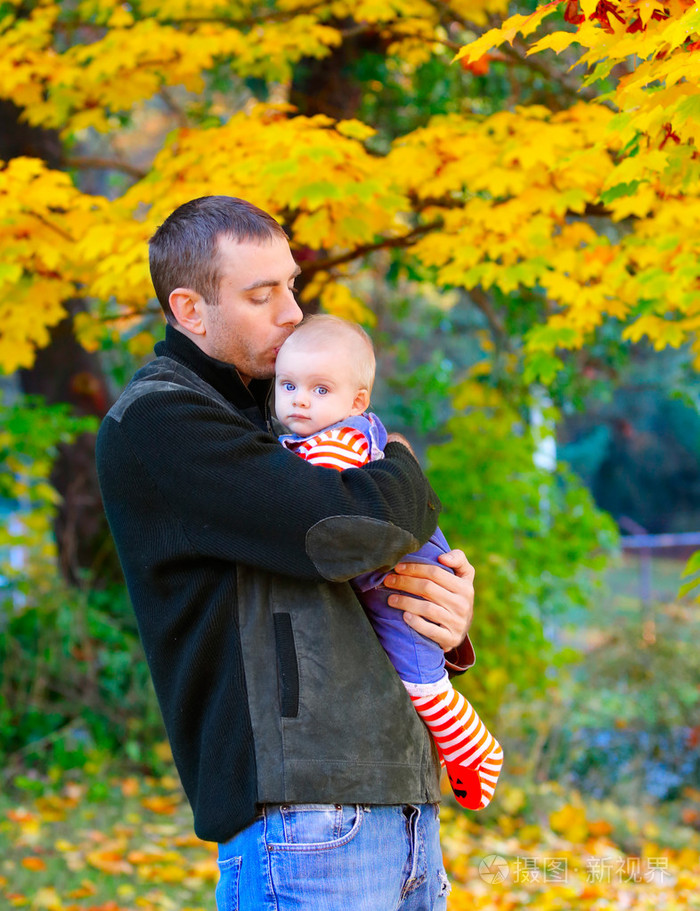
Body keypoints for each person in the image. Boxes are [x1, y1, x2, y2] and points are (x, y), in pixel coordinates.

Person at [96, 195, 477, 911]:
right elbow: (340, 529)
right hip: (302, 811)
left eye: (292, 285)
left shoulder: (290, 409)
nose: (292, 312)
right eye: (261, 293)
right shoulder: (160, 421)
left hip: (398, 796)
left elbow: (367, 563)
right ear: (190, 308)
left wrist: (444, 617)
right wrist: (401, 461)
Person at [274, 315, 503, 811]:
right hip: (387, 577)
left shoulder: (335, 445)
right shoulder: (315, 439)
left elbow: (328, 512)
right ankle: (464, 747)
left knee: (420, 679)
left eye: (319, 390)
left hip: (403, 578)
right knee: (415, 674)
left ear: (356, 403)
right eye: (288, 385)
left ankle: (474, 749)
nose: (299, 400)